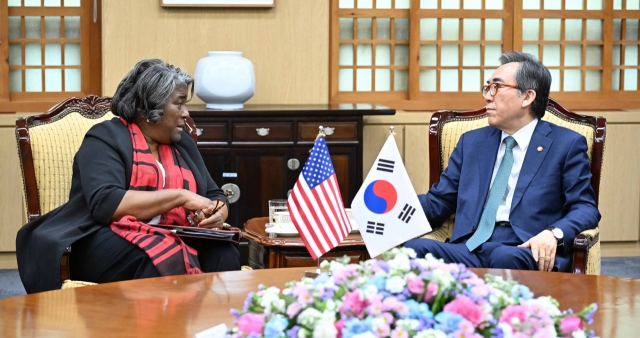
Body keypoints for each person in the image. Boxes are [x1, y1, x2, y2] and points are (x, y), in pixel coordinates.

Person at [16, 59, 240, 293]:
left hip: (176, 232)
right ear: (147, 106)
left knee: (224, 255)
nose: (186, 113)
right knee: (158, 258)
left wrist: (217, 213)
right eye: (179, 104)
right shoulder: (104, 138)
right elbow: (106, 203)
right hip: (103, 236)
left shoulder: (182, 143)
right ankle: (160, 329)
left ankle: (216, 327)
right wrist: (181, 197)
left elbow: (214, 194)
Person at [404, 51, 600, 272]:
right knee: (414, 250)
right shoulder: (472, 142)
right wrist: (388, 210)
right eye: (487, 88)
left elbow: (585, 208)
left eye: (496, 87)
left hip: (523, 247)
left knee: (504, 257)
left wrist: (553, 234)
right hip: (470, 246)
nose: (488, 96)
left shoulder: (566, 144)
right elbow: (439, 201)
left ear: (527, 97)